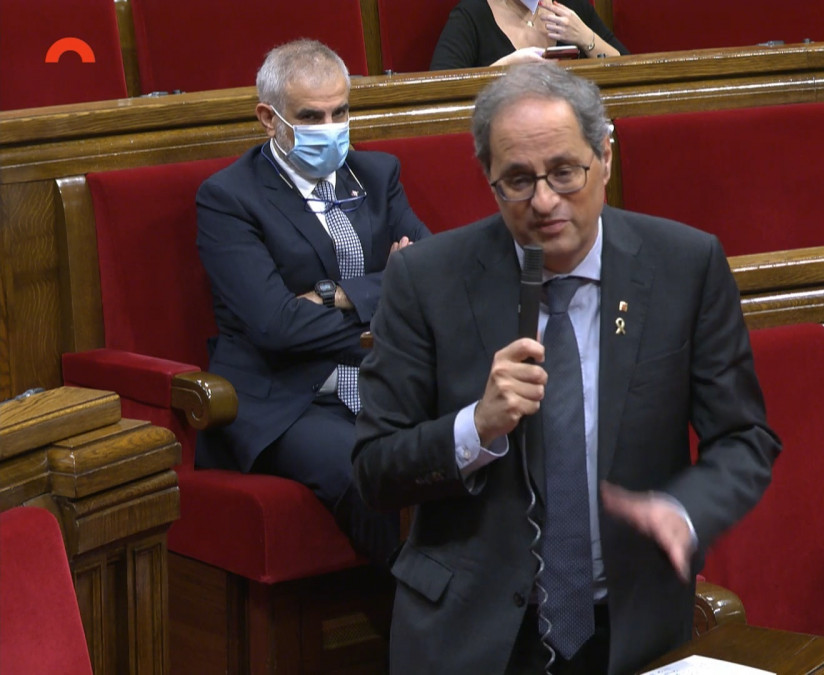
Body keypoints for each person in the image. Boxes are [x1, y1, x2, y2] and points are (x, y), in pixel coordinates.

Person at [352, 62, 779, 674]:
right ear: (490, 181)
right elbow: (373, 471)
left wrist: (685, 510)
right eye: (518, 181)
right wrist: (475, 427)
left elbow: (744, 438)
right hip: (470, 634)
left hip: (634, 625)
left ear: (605, 156)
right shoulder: (425, 280)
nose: (545, 201)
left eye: (564, 172)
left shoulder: (686, 265)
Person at [195, 39, 431, 570]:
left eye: (340, 111)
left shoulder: (376, 175)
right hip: (289, 397)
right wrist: (386, 295)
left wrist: (338, 294)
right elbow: (276, 326)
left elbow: (428, 275)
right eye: (311, 116)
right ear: (269, 118)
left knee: (482, 442)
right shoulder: (229, 198)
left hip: (383, 378)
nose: (330, 126)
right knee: (371, 471)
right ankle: (428, 626)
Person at [431, 0, 627, 70]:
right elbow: (442, 88)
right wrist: (505, 69)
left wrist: (586, 37)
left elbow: (629, 71)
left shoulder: (572, 7)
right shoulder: (471, 14)